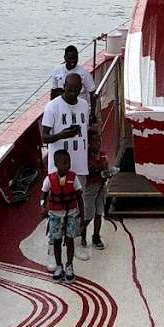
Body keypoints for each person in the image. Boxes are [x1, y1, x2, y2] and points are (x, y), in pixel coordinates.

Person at [41, 147, 86, 281]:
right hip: (55, 215)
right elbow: (43, 194)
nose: (67, 165)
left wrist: (82, 213)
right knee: (56, 240)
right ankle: (59, 265)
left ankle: (69, 265)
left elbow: (79, 196)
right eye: (64, 163)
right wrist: (42, 207)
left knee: (69, 240)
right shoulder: (49, 179)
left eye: (68, 162)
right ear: (56, 164)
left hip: (71, 214)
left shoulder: (74, 178)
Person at [80, 126, 114, 253]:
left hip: (101, 186)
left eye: (99, 141)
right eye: (95, 141)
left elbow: (106, 168)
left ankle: (96, 236)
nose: (98, 144)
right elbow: (89, 170)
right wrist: (100, 170)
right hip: (90, 189)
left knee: (99, 213)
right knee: (88, 214)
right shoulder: (85, 157)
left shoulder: (103, 154)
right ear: (89, 143)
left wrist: (107, 172)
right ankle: (81, 233)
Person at [50, 44, 97, 120]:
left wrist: (92, 114)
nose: (73, 61)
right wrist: (52, 109)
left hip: (79, 108)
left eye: (75, 58)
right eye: (70, 58)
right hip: (62, 108)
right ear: (65, 58)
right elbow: (53, 91)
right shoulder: (57, 70)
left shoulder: (84, 73)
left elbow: (92, 93)